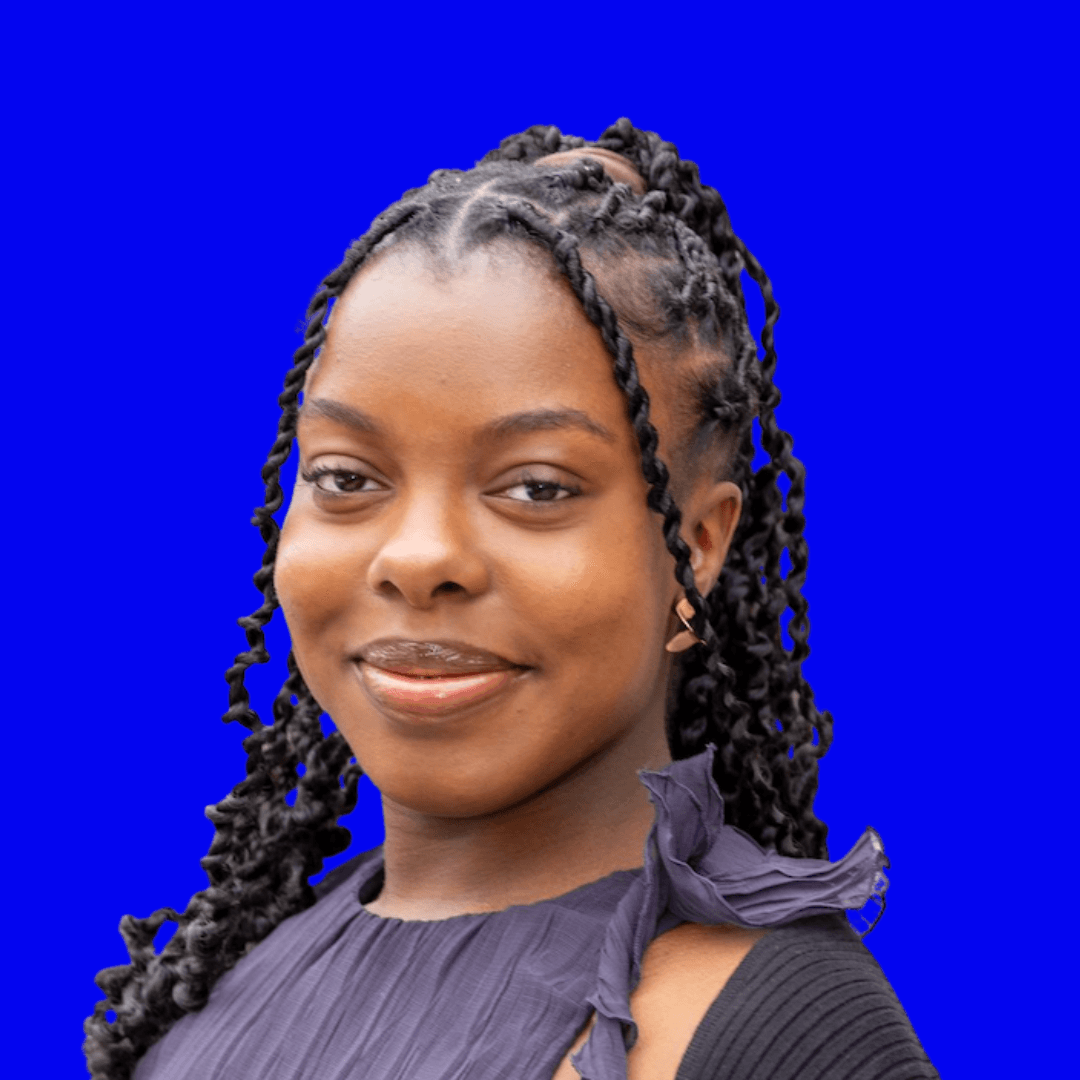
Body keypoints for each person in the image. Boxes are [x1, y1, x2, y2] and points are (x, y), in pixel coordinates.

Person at [84, 119, 938, 1080]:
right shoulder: (223, 984)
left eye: (536, 487)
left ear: (695, 547)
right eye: (347, 477)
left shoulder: (768, 1032)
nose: (418, 559)